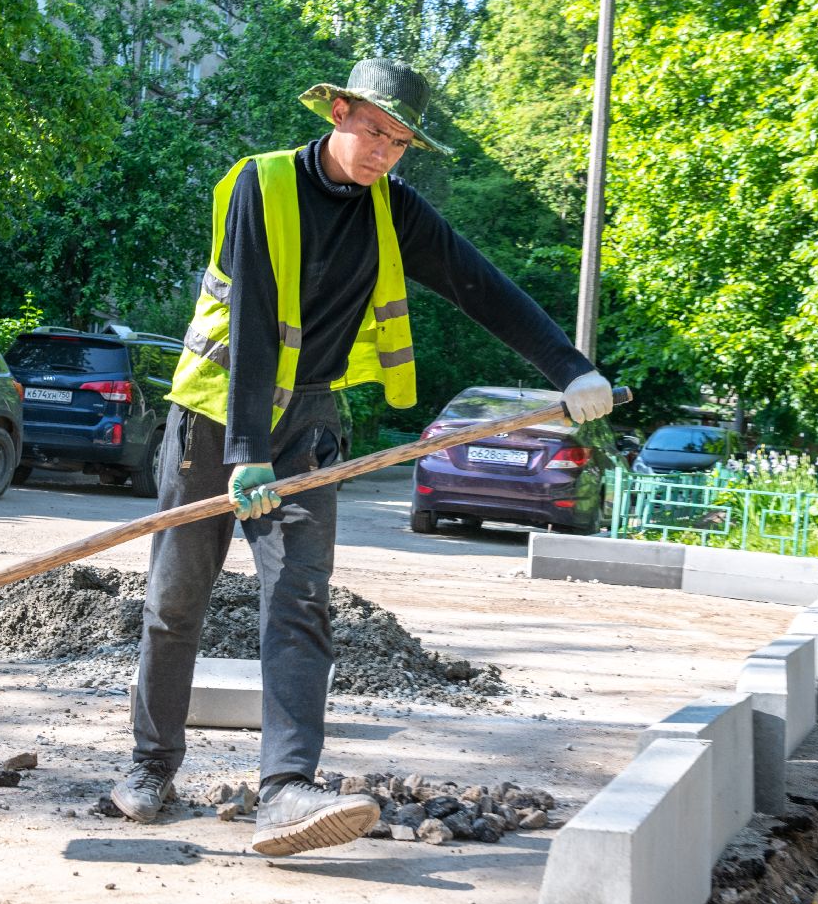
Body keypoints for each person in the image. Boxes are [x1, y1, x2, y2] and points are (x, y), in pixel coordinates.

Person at [111, 58, 615, 857]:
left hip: (308, 423)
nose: (385, 152)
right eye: (375, 131)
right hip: (214, 417)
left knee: (301, 600)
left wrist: (570, 367)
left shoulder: (394, 210)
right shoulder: (261, 184)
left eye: (401, 141)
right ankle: (149, 769)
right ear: (339, 112)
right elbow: (254, 318)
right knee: (176, 601)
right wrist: (247, 451)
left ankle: (287, 789)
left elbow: (479, 285)